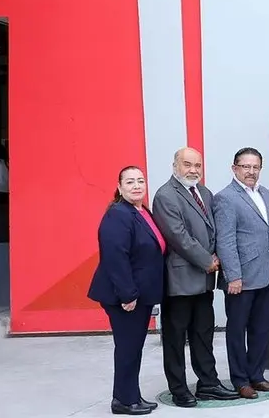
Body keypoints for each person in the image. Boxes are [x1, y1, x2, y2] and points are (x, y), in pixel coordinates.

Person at [151, 148, 237, 406]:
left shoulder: (205, 193)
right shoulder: (166, 196)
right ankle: (179, 389)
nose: (193, 170)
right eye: (187, 164)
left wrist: (217, 258)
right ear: (174, 165)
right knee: (176, 339)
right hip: (180, 281)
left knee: (203, 334)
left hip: (204, 281)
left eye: (197, 165)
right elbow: (178, 237)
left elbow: (214, 231)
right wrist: (207, 260)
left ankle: (208, 383)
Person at [88, 166, 165, 416]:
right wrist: (127, 294)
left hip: (139, 294)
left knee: (133, 347)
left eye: (140, 181)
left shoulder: (141, 211)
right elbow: (115, 257)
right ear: (119, 187)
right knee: (128, 348)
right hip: (124, 296)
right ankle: (123, 400)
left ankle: (132, 395)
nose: (136, 186)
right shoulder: (118, 214)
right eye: (130, 182)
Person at [211, 148, 269, 399]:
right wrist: (233, 276)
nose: (251, 172)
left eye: (255, 167)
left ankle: (257, 376)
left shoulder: (264, 193)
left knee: (261, 329)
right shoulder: (225, 198)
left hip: (266, 274)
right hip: (241, 279)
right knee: (237, 330)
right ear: (234, 169)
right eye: (246, 167)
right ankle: (240, 380)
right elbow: (226, 241)